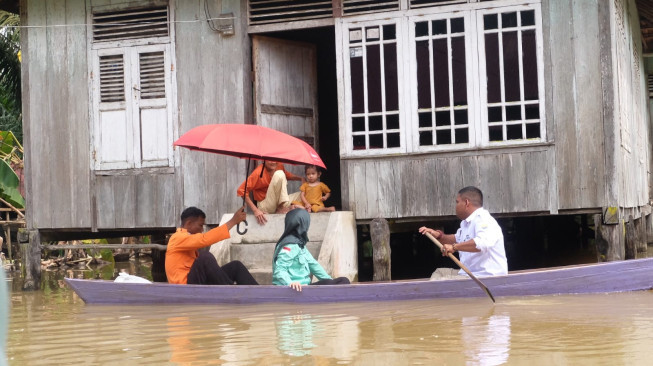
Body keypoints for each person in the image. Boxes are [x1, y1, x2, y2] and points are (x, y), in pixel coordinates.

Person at [419, 186, 507, 278]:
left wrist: (454, 247)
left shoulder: (484, 219)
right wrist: (438, 236)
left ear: (466, 203)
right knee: (439, 273)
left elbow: (482, 243)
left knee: (441, 282)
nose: (455, 206)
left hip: (484, 276)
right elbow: (456, 239)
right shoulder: (465, 223)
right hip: (468, 274)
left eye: (457, 202)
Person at [165, 206, 259, 285]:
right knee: (205, 258)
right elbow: (204, 239)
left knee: (235, 266)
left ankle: (260, 293)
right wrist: (232, 221)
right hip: (184, 286)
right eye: (200, 225)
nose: (202, 230)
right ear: (189, 223)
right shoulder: (177, 238)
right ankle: (229, 292)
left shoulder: (188, 240)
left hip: (198, 281)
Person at [272, 208, 350, 291]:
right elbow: (279, 270)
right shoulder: (290, 245)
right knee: (338, 283)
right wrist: (290, 283)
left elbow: (313, 265)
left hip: (304, 287)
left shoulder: (299, 244)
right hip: (294, 289)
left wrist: (330, 280)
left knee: (343, 281)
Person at [237, 161, 304, 225]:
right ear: (265, 160)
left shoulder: (279, 165)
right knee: (279, 173)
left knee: (303, 194)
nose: (273, 162)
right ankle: (283, 208)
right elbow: (241, 190)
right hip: (265, 205)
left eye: (275, 160)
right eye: (270, 160)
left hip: (279, 202)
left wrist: (300, 178)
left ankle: (285, 207)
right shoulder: (258, 172)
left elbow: (286, 175)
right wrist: (255, 210)